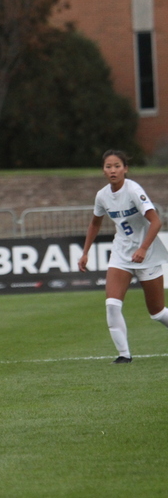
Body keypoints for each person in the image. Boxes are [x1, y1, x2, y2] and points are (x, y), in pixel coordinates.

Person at [78, 150, 168, 364]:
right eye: (108, 166)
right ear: (103, 170)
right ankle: (124, 355)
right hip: (121, 253)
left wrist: (144, 248)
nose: (113, 170)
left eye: (117, 166)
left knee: (156, 312)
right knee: (112, 304)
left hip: (147, 254)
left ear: (125, 169)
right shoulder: (102, 195)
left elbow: (156, 222)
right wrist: (85, 252)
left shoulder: (134, 190)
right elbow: (95, 222)